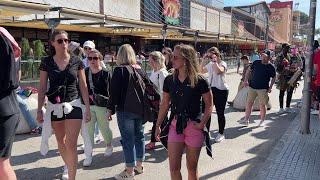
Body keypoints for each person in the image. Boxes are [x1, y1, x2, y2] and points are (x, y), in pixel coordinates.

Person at [37, 30, 91, 180]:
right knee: (61, 141)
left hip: (74, 104)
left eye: (66, 40)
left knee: (71, 143)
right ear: (53, 43)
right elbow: (42, 87)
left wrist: (87, 108)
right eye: (60, 41)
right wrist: (39, 109)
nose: (64, 44)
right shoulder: (46, 62)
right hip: (55, 106)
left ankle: (72, 176)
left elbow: (84, 85)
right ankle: (67, 164)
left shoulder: (76, 61)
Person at [155, 44, 212, 180]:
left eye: (175, 57)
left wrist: (202, 123)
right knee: (174, 168)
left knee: (192, 169)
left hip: (194, 126)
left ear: (186, 60)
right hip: (175, 125)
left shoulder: (200, 80)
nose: (171, 60)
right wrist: (157, 125)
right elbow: (164, 104)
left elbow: (209, 104)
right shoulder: (169, 79)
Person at [107, 44, 145, 179]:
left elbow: (114, 94)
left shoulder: (119, 70)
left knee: (128, 140)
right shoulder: (140, 69)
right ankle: (139, 166)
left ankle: (129, 171)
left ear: (120, 55)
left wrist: (109, 110)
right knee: (139, 137)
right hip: (140, 110)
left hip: (125, 110)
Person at [82, 49, 113, 167]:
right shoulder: (84, 72)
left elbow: (111, 93)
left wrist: (110, 109)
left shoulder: (106, 73)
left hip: (102, 106)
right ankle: (88, 155)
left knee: (104, 129)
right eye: (90, 58)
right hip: (88, 106)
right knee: (88, 131)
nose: (92, 61)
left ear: (100, 59)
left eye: (95, 58)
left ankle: (109, 145)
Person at [0, 26, 21, 180]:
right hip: (7, 106)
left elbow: (7, 79)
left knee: (2, 163)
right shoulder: (4, 37)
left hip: (4, 109)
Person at [200, 46, 229, 143]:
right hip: (211, 89)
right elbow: (201, 71)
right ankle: (206, 133)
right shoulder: (210, 63)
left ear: (217, 54)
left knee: (220, 113)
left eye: (212, 55)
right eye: (209, 56)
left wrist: (215, 61)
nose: (211, 58)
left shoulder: (222, 63)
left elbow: (219, 71)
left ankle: (221, 133)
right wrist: (204, 60)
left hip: (221, 90)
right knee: (207, 112)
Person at [241, 50, 276, 127]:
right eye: (262, 56)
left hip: (263, 89)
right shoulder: (256, 62)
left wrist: (270, 87)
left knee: (262, 105)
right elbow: (248, 71)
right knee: (249, 103)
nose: (263, 58)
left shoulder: (271, 67)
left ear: (269, 57)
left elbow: (274, 77)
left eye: (265, 56)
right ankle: (246, 119)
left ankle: (262, 120)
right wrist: (245, 81)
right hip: (252, 87)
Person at [145, 51, 169, 150]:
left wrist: (163, 105)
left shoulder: (162, 73)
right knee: (160, 122)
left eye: (150, 61)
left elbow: (164, 92)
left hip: (160, 103)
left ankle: (154, 141)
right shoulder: (155, 71)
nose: (148, 63)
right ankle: (164, 140)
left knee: (159, 122)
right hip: (154, 103)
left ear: (156, 61)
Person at [275, 43, 297, 113]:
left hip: (290, 76)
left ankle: (287, 107)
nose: (288, 49)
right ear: (283, 48)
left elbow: (292, 64)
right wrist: (282, 64)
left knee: (290, 92)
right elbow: (276, 67)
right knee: (282, 92)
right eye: (287, 48)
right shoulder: (279, 56)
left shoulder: (289, 55)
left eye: (288, 48)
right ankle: (281, 108)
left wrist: (292, 67)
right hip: (283, 77)